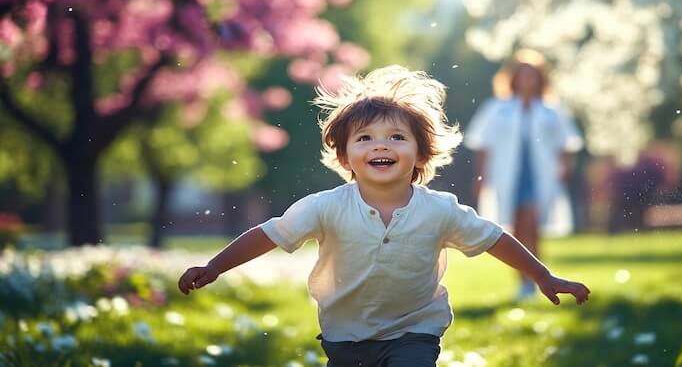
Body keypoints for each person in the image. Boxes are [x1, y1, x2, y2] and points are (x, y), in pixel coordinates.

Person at [178, 65, 590, 367]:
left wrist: (542, 275)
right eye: (366, 138)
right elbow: (269, 234)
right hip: (344, 337)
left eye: (397, 137)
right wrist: (216, 266)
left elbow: (494, 238)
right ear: (344, 156)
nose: (382, 145)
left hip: (415, 331)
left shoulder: (439, 210)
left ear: (420, 153)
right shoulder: (326, 206)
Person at [465, 49, 583, 301]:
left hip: (540, 176)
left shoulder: (551, 110)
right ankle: (526, 282)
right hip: (507, 176)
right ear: (513, 78)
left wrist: (563, 168)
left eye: (532, 75)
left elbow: (566, 143)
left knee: (532, 224)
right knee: (517, 227)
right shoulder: (497, 109)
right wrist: (481, 177)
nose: (527, 80)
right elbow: (482, 144)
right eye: (522, 75)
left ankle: (538, 278)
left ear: (541, 79)